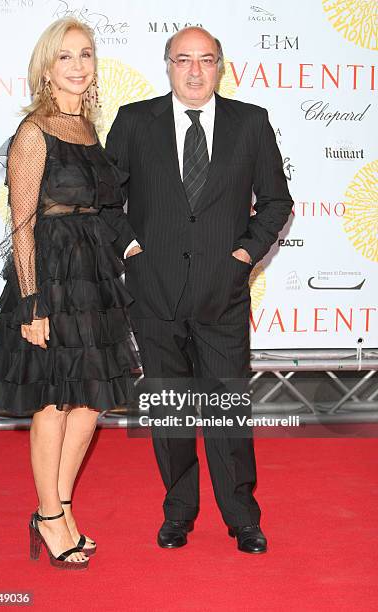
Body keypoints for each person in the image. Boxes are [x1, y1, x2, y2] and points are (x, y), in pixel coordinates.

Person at [106, 27, 293, 554]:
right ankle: (178, 513)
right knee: (170, 411)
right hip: (154, 294)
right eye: (183, 60)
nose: (194, 71)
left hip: (222, 293)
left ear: (220, 66)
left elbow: (277, 201)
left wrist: (243, 256)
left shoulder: (250, 122)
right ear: (167, 65)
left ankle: (243, 518)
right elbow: (103, 199)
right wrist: (130, 248)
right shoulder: (134, 121)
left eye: (205, 60)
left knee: (225, 410)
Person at [0, 17, 138, 569]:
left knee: (90, 399)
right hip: (50, 274)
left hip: (93, 274)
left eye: (85, 54)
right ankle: (48, 516)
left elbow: (107, 209)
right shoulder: (32, 131)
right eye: (65, 56)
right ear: (47, 69)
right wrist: (32, 303)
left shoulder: (92, 131)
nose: (77, 65)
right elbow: (22, 224)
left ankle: (63, 506)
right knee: (54, 398)